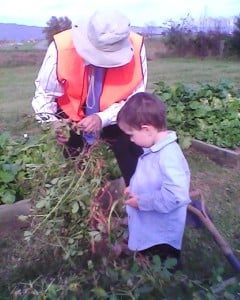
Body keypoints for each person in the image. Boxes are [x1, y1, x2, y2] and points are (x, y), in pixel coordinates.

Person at [32, 9, 147, 186]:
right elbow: (44, 94)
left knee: (133, 159)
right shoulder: (61, 46)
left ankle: (141, 198)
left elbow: (135, 99)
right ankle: (84, 195)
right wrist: (52, 123)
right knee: (76, 164)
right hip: (71, 115)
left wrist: (103, 118)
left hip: (119, 112)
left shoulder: (137, 46)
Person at [117, 92, 191, 265]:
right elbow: (151, 179)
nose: (131, 139)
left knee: (160, 271)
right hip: (151, 230)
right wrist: (134, 189)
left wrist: (142, 202)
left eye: (131, 134)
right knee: (146, 264)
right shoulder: (154, 149)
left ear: (147, 130)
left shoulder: (168, 155)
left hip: (161, 238)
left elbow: (175, 195)